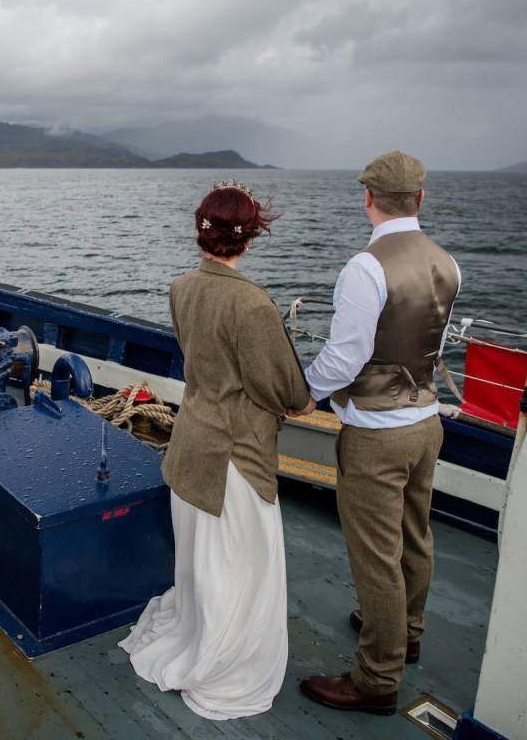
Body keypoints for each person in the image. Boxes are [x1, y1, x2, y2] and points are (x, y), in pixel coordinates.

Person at [118, 180, 311, 720]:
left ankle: (198, 640)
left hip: (191, 445)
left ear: (201, 229)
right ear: (248, 237)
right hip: (237, 458)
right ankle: (223, 665)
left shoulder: (181, 288)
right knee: (242, 570)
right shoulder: (252, 304)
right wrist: (301, 398)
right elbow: (285, 392)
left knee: (204, 567)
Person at [293, 150, 461, 715]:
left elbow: (345, 359)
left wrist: (306, 391)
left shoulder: (365, 267)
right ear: (422, 199)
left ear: (368, 199)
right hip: (426, 422)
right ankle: (407, 632)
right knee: (416, 534)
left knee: (375, 558)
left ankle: (376, 678)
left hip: (376, 433)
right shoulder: (448, 262)